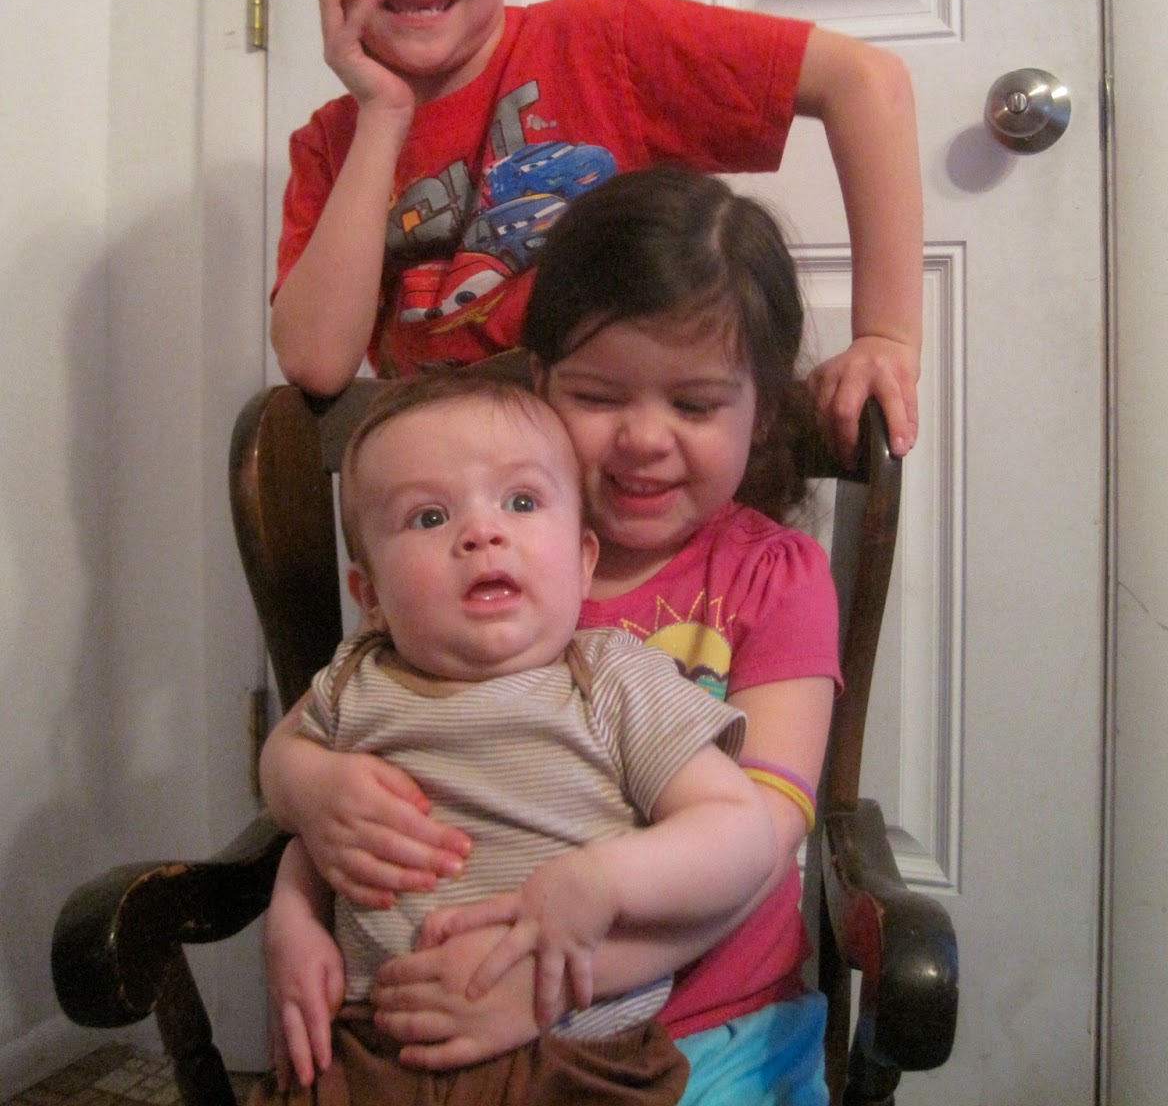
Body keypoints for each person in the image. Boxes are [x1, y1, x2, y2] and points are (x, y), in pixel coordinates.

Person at [263, 167, 843, 1106]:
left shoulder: (769, 579)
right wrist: (302, 856)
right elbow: (318, 754)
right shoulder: (469, 590)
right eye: (600, 397)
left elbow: (758, 843)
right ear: (542, 386)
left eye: (694, 405)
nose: (644, 437)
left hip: (712, 1017)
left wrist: (544, 985)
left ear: (763, 410)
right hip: (424, 1030)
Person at [269, 0, 922, 462]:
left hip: (641, 480)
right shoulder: (332, 145)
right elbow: (315, 362)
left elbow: (866, 81)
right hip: (467, 498)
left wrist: (885, 336)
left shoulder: (601, 43)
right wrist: (383, 116)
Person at [253, 367, 778, 1104]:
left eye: (522, 502)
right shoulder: (354, 681)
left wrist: (604, 881)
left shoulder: (612, 680)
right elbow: (321, 826)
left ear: (584, 563)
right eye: (429, 517)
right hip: (372, 1050)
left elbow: (743, 830)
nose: (482, 532)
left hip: (572, 1055)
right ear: (370, 597)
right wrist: (296, 913)